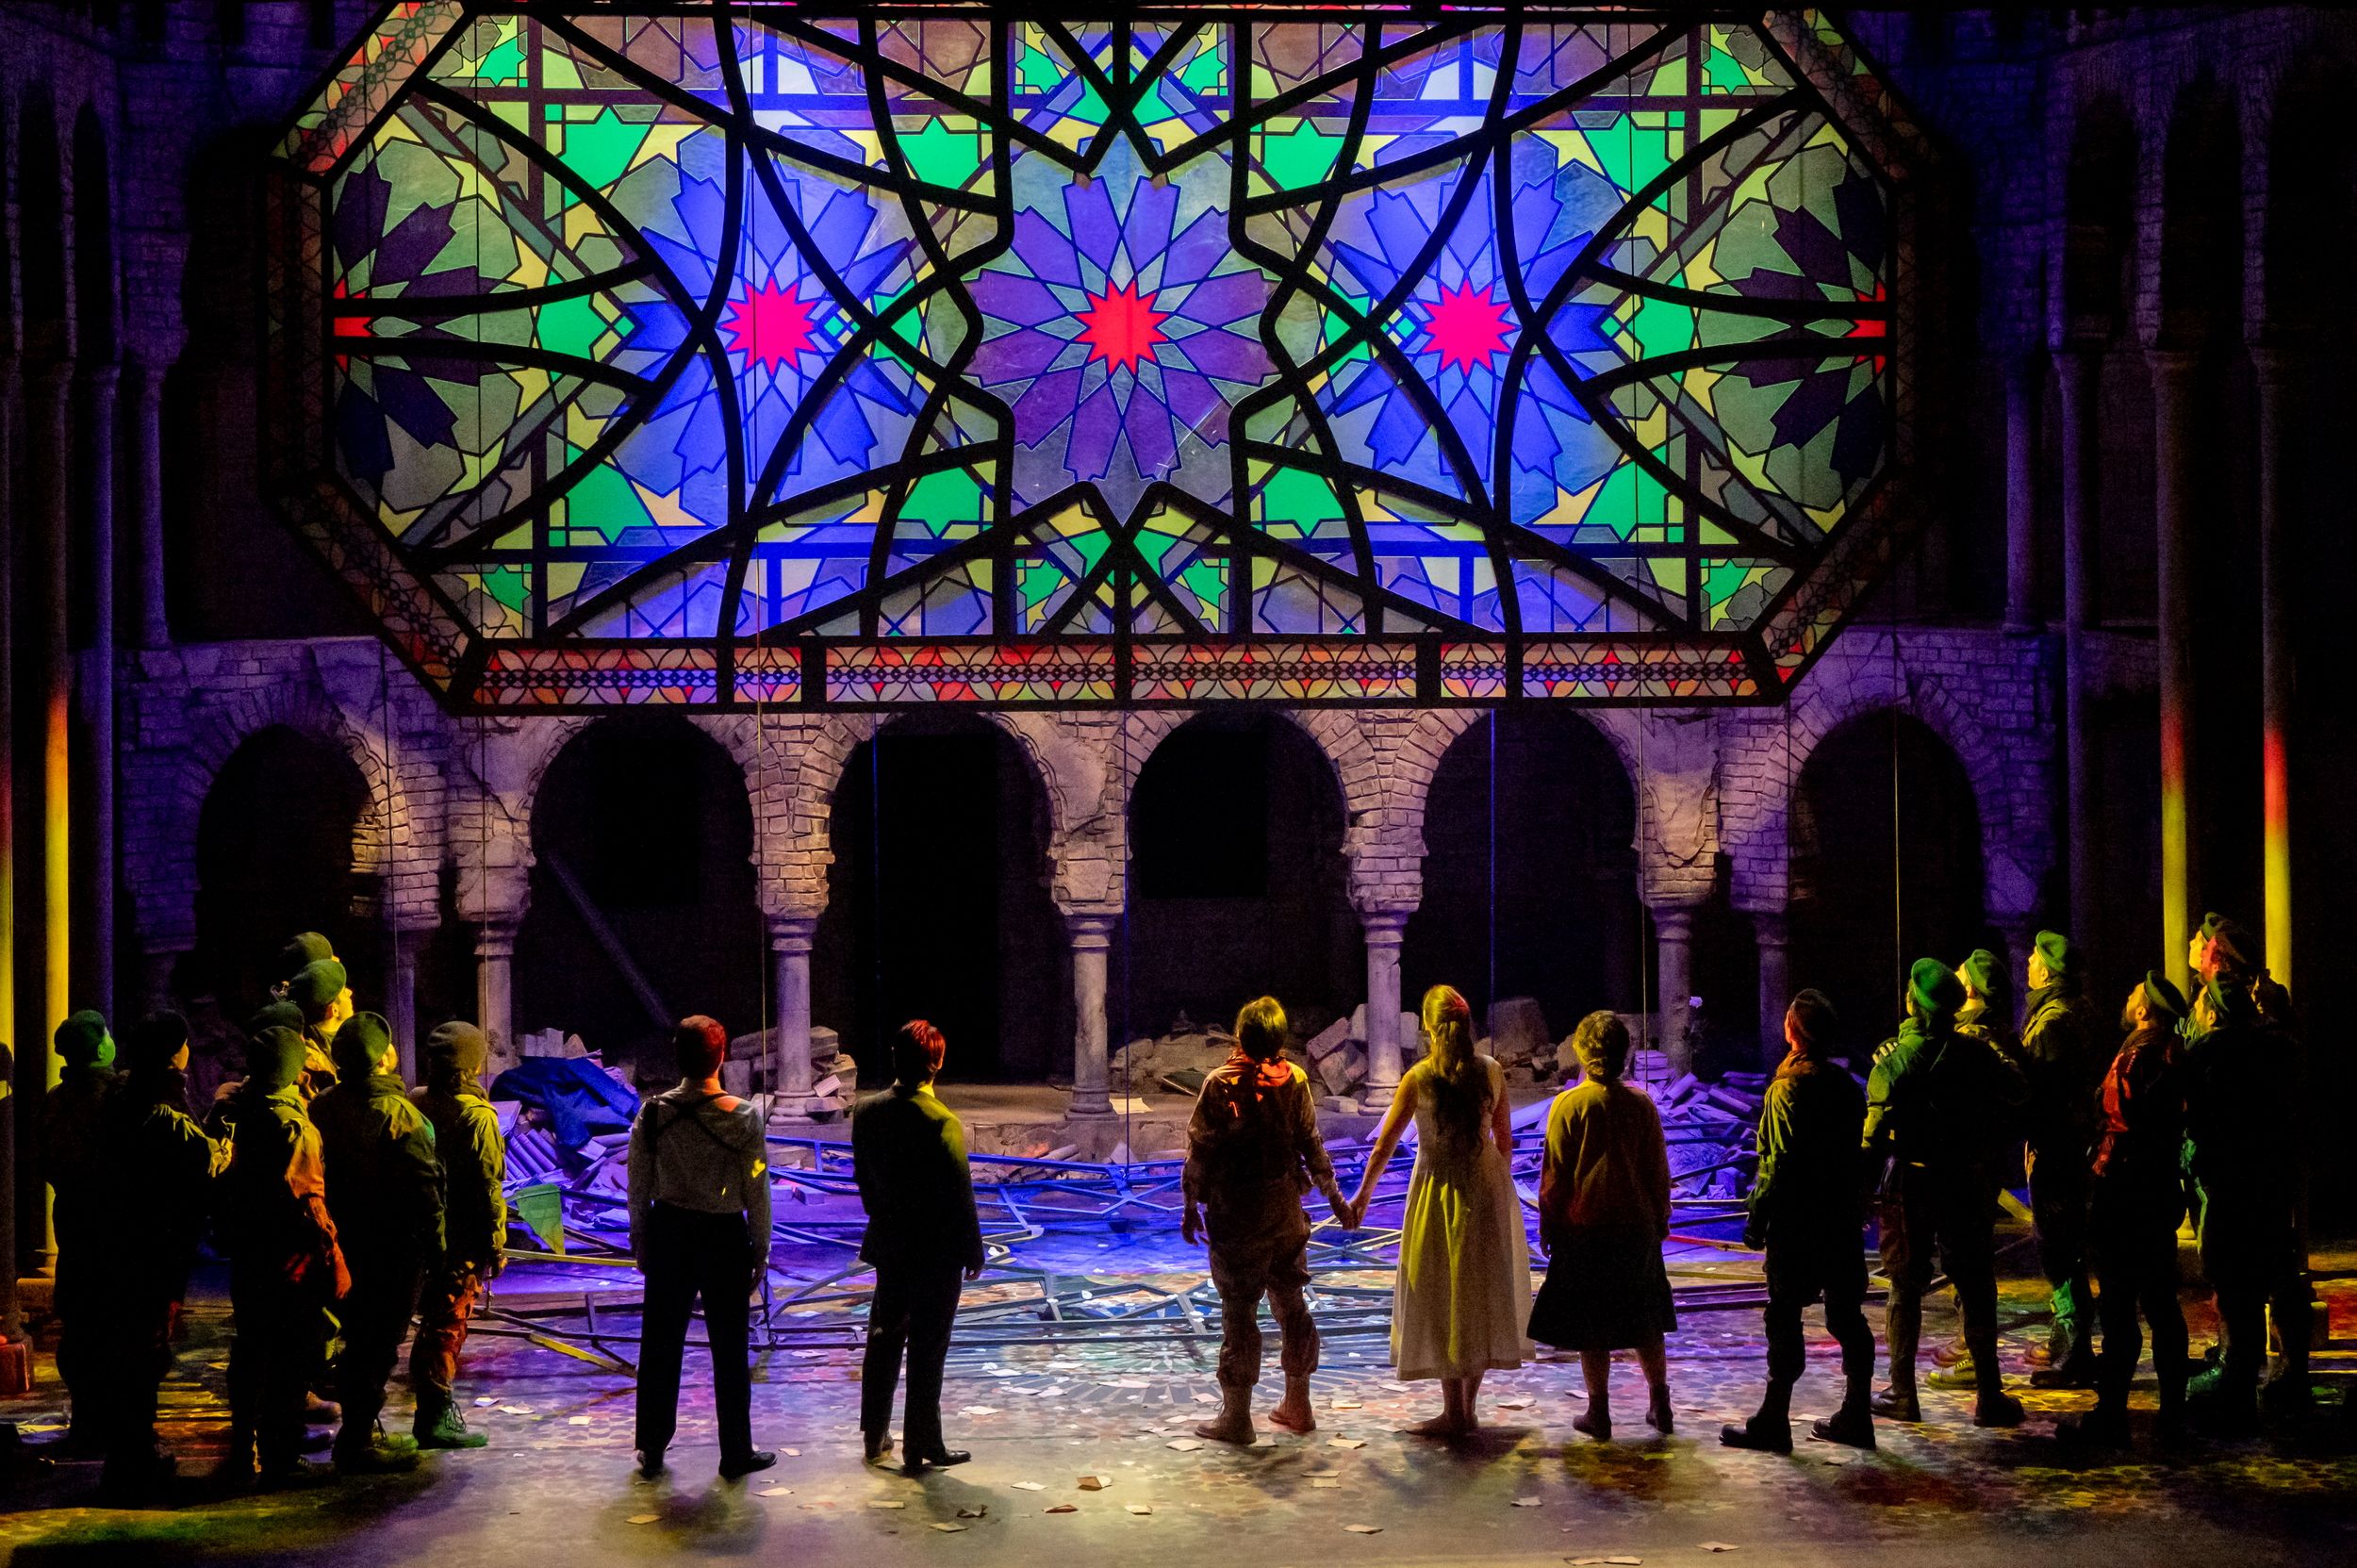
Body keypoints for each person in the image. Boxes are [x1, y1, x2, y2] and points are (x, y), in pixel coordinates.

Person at [1346, 985, 1530, 1438]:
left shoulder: (1420, 1078)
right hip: (1483, 1186)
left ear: (1428, 1029)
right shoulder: (1491, 1071)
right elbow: (1505, 1141)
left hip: (1438, 1188)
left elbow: (1383, 1147)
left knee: (1443, 1289)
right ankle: (1467, 1407)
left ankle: (1454, 1410)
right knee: (1479, 1289)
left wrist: (1361, 1198)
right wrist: (1496, 1187)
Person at [1865, 958, 2028, 1428]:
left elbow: (1872, 1139)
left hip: (1912, 1181)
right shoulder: (1975, 1054)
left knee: (1904, 1285)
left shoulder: (1895, 1060)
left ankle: (1902, 1392)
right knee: (1975, 1283)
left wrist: (1859, 1193)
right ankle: (1990, 1395)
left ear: (1912, 1003)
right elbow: (2018, 1090)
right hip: (1965, 1180)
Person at [1180, 998, 1348, 1444]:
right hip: (1285, 1211)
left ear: (1240, 1035)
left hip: (1238, 1215)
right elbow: (1312, 1144)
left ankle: (1237, 1417)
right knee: (1291, 1303)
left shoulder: (1221, 1083)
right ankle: (1298, 1405)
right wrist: (1334, 1197)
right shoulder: (1294, 1079)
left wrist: (1190, 1206)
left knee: (1239, 1309)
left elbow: (1200, 1152)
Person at [1722, 990, 1875, 1452]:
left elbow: (1778, 1163)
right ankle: (1857, 1414)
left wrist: (1757, 1219)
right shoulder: (1846, 1086)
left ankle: (1774, 1420)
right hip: (1840, 1219)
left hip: (1799, 1221)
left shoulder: (1787, 1089)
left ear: (1793, 1032)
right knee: (1847, 1316)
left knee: (1785, 1315)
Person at [627, 1015, 775, 1480]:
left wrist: (640, 1238)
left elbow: (638, 1185)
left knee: (660, 1345)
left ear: (678, 1057)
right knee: (730, 1349)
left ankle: (652, 1446)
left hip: (670, 1232)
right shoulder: (742, 1115)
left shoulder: (653, 1113)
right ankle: (736, 1451)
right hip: (723, 1235)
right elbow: (757, 1186)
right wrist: (761, 1246)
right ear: (722, 1056)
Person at [2178, 915, 2309, 1434]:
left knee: (2245, 1278)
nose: (2196, 948)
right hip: (2263, 1167)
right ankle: (2250, 1371)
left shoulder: (2238, 1026)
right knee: (2262, 1272)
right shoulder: (2266, 1032)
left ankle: (2251, 1383)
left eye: (2204, 945)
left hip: (2237, 1169)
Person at [93, 1010, 230, 1502]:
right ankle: (133, 1466)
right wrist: (223, 1126)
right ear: (176, 1052)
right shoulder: (162, 1108)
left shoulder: (120, 1095)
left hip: (119, 1241)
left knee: (127, 1350)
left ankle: (129, 1457)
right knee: (144, 1354)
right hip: (153, 1250)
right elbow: (203, 1161)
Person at [210, 1025, 349, 1484]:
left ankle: (244, 1450)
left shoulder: (235, 1109)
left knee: (251, 1350)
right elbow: (310, 1202)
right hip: (289, 1258)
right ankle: (281, 1457)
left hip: (248, 1252)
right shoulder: (294, 1125)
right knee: (291, 1354)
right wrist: (333, 1257)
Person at [1525, 1010, 1671, 1441]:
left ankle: (1599, 1411)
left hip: (1585, 1228)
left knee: (1593, 1326)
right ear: (1625, 1053)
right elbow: (1657, 1170)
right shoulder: (1641, 1104)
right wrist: (1659, 1219)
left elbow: (1555, 1175)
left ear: (1582, 1053)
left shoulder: (1569, 1105)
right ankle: (1660, 1403)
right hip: (1636, 1226)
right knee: (1645, 1319)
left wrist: (1549, 1225)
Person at [2060, 974, 2190, 1449]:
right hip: (2157, 1189)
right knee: (2161, 1304)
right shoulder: (2173, 1053)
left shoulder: (2138, 1057)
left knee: (2119, 1307)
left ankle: (2111, 1414)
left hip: (2125, 1192)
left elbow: (2121, 1119)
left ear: (2143, 1011)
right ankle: (2172, 1415)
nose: (2129, 993)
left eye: (2135, 991)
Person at [311, 1011, 444, 1473]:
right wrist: (437, 1245)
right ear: (382, 1058)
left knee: (355, 1338)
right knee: (378, 1344)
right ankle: (357, 1441)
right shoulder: (400, 1115)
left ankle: (357, 1431)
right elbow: (425, 1187)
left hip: (342, 1242)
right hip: (392, 1248)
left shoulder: (323, 1105)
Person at [852, 1020, 986, 1471]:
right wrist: (973, 1249)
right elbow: (960, 1193)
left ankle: (874, 1435)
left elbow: (864, 1180)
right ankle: (922, 1444)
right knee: (928, 1348)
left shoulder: (866, 1111)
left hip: (890, 1243)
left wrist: (884, 1218)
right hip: (936, 1251)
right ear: (937, 1063)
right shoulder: (941, 1121)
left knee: (883, 1338)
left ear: (895, 1057)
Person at [2003, 931, 2103, 1389]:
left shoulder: (2052, 1024)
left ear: (2047, 970)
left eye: (2033, 958)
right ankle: (2067, 1342)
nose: (2027, 962)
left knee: (2060, 1250)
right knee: (2065, 1246)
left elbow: (2042, 1095)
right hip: (2072, 1147)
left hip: (2058, 1150)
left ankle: (2076, 1351)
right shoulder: (2077, 1011)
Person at [409, 1021, 507, 1449]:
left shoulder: (415, 1101)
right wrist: (496, 1243)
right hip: (461, 1237)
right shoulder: (477, 1116)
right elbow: (488, 1185)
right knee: (447, 1325)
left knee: (428, 1321)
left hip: (419, 1230)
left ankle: (429, 1410)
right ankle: (434, 1418)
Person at [40, 1010, 117, 1456]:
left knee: (80, 1328)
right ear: (101, 1047)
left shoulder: (56, 1100)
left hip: (72, 1224)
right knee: (116, 1330)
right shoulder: (117, 1098)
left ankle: (87, 1423)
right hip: (116, 1230)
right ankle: (116, 1428)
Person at [287, 958, 352, 1099]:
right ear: (333, 1010)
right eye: (343, 992)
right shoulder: (313, 1056)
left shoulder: (351, 1036)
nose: (350, 992)